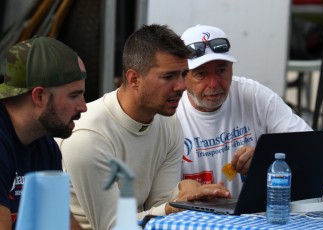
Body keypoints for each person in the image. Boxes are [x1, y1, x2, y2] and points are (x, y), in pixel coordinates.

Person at [57, 24, 230, 230]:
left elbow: (159, 204)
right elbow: (113, 226)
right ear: (133, 79)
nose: (182, 86)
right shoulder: (87, 136)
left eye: (184, 74)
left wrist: (186, 193)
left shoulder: (169, 120)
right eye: (168, 77)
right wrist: (174, 205)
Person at [176, 25, 313, 199]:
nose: (213, 84)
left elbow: (311, 150)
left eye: (221, 70)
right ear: (182, 75)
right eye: (201, 74)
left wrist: (267, 157)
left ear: (232, 68)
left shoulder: (253, 94)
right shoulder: (170, 111)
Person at [0, 36, 87, 230]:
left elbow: (60, 220)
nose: (83, 107)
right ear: (39, 96)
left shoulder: (45, 144)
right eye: (74, 95)